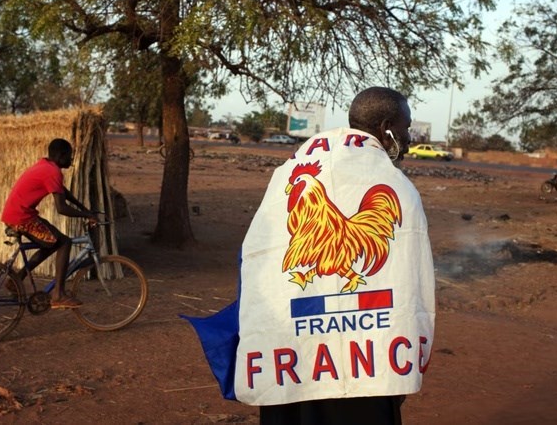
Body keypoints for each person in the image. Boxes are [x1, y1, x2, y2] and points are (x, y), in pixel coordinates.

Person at [185, 87, 436, 425]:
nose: (407, 138)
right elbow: (408, 283)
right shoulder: (394, 183)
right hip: (367, 360)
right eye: (405, 127)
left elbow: (258, 254)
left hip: (294, 348)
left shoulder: (287, 171)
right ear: (386, 126)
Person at [1, 138, 97, 309]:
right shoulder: (53, 172)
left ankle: (16, 279)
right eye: (69, 156)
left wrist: (85, 210)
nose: (71, 160)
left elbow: (63, 192)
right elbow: (61, 208)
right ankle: (58, 294)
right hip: (23, 218)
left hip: (19, 214)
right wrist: (85, 215)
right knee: (64, 242)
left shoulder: (46, 166)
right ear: (61, 156)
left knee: (51, 242)